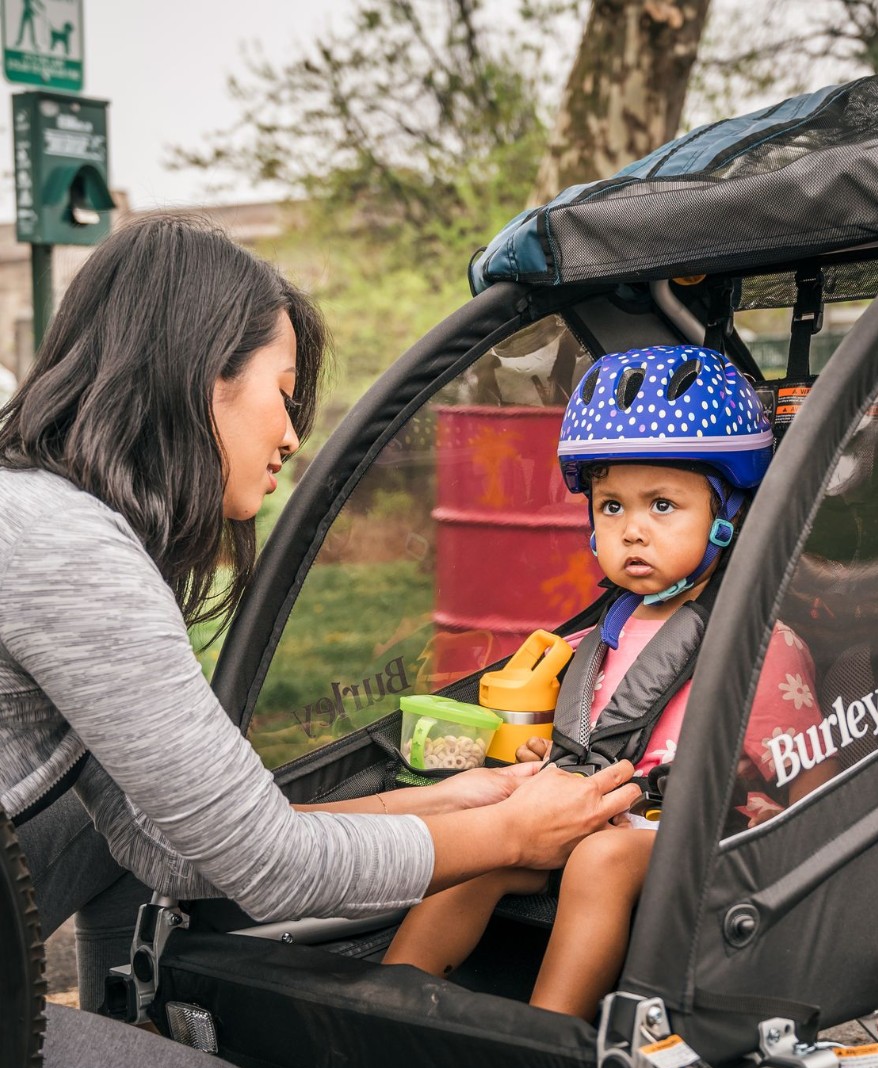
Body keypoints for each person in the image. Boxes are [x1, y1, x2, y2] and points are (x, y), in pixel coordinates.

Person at [0, 214, 639, 1020]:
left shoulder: (43, 514)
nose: (295, 436)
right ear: (204, 376)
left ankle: (119, 1029)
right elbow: (266, 864)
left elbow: (169, 840)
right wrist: (516, 837)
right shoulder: (67, 549)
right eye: (284, 394)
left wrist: (453, 802)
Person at [383, 345, 837, 1019]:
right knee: (481, 844)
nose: (632, 532)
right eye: (612, 507)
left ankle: (547, 1032)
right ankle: (389, 999)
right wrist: (546, 760)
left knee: (601, 859)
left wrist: (793, 857)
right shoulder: (592, 640)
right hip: (591, 810)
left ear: (729, 516)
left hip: (694, 840)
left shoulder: (759, 650)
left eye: (661, 505)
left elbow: (814, 782)